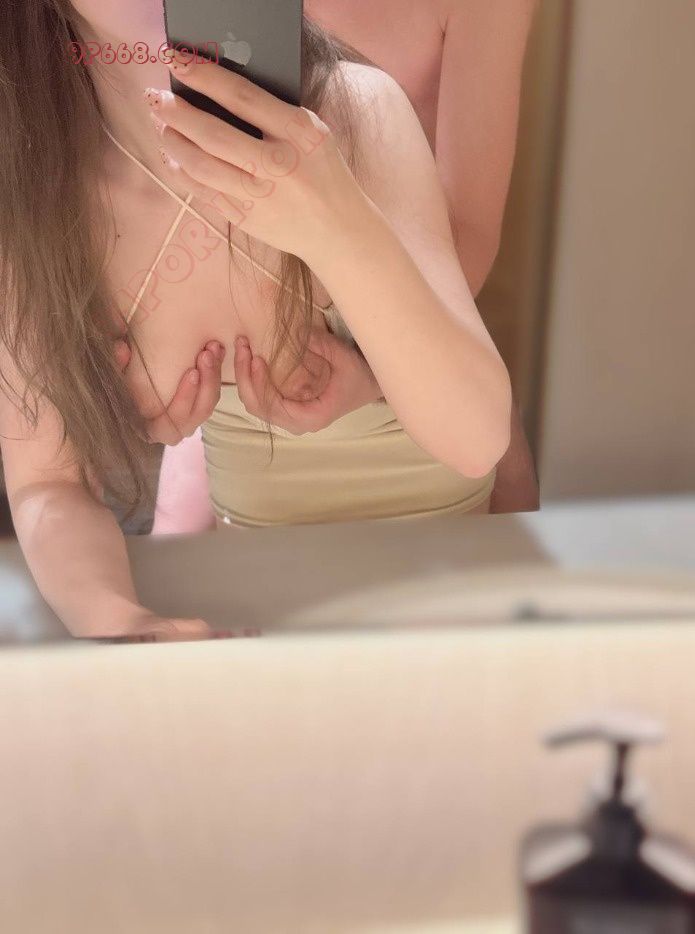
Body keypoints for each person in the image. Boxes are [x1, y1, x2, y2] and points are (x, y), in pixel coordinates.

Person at [0, 1, 511, 637]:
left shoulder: (357, 112)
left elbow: (476, 439)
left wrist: (339, 226)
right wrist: (118, 619)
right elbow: (46, 483)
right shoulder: (34, 192)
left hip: (443, 592)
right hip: (258, 613)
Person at [150, 0, 540, 533]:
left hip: (411, 360)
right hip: (233, 377)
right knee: (173, 563)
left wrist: (376, 376)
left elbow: (466, 234)